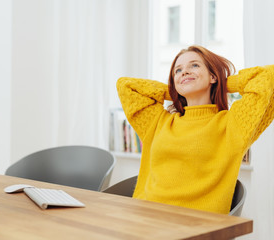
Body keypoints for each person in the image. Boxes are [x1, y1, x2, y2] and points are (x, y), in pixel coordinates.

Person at [116, 45, 274, 214]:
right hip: (144, 219)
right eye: (178, 70)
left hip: (195, 228)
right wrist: (175, 90)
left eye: (194, 65)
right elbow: (125, 86)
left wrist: (222, 82)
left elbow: (269, 75)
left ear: (212, 76)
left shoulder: (233, 124)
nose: (184, 72)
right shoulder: (158, 122)